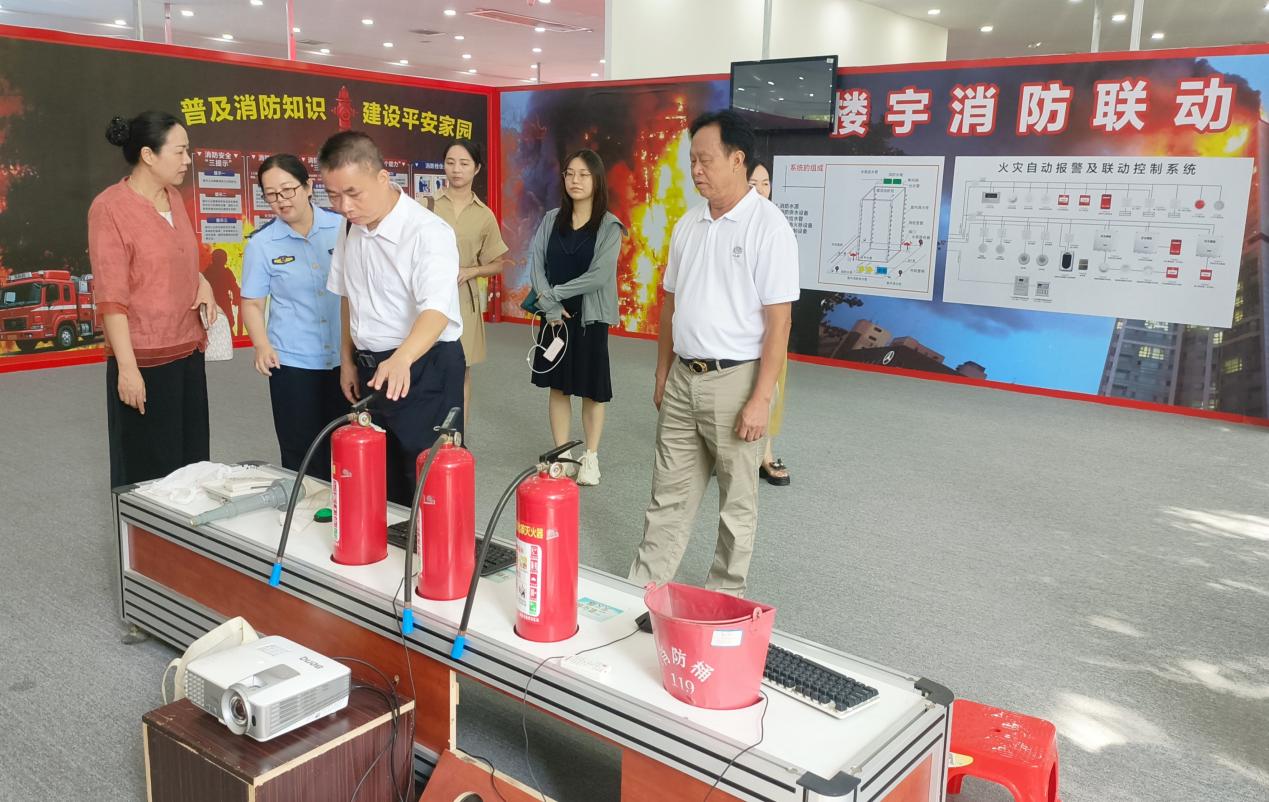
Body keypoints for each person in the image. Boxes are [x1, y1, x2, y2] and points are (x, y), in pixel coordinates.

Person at [628, 110, 799, 596]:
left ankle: (723, 598)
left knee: (736, 502)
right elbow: (670, 303)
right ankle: (643, 591)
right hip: (683, 378)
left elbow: (780, 323)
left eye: (706, 160)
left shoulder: (769, 228)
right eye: (692, 161)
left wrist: (761, 399)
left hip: (737, 380)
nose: (696, 170)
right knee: (667, 494)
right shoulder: (689, 224)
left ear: (737, 159)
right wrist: (662, 372)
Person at [320, 131, 465, 506]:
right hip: (373, 367)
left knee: (427, 477)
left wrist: (402, 358)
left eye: (353, 193)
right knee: (379, 477)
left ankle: (430, 545)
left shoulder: (427, 232)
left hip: (424, 364)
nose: (344, 206)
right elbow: (348, 295)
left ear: (383, 178)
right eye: (333, 195)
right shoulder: (350, 226)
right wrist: (347, 360)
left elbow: (436, 310)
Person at [89, 111, 216, 487]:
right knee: (149, 469)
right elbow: (111, 297)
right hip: (145, 359)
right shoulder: (110, 208)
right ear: (148, 155)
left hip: (188, 352)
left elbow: (174, 256)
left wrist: (202, 281)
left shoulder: (174, 197)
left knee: (192, 460)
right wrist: (127, 370)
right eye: (179, 152)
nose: (187, 160)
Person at [240, 154, 346, 478]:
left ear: (308, 186)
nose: (282, 200)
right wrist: (261, 344)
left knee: (347, 445)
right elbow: (252, 303)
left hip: (344, 357)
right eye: (272, 195)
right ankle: (304, 507)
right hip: (293, 361)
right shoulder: (262, 244)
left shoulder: (342, 228)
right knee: (300, 448)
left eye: (288, 190)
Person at [527, 149, 626, 486]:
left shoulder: (609, 226)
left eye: (583, 174)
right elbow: (536, 264)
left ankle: (591, 457)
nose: (575, 180)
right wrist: (550, 306)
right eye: (569, 173)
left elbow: (599, 276)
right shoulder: (551, 219)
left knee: (592, 391)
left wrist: (552, 295)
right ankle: (563, 455)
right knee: (558, 387)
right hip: (555, 317)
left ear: (597, 180)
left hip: (589, 318)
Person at [423, 139, 510, 433]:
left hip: (464, 301)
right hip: (427, 296)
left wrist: (471, 271)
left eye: (464, 163)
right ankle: (425, 434)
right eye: (450, 162)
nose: (456, 169)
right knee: (425, 365)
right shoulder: (426, 205)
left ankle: (457, 436)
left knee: (461, 369)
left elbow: (498, 263)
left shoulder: (484, 215)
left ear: (477, 169)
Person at [746, 159, 791, 487]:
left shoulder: (777, 225)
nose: (761, 190)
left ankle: (766, 452)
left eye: (765, 183)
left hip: (771, 323)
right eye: (753, 184)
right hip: (737, 329)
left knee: (772, 387)